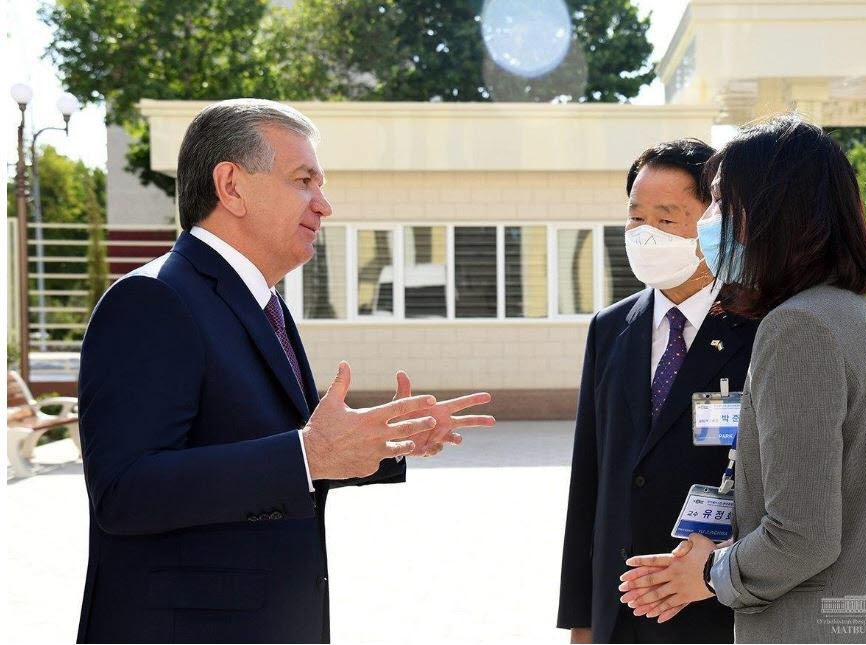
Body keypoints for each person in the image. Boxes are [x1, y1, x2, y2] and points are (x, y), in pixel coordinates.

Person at [76, 99, 495, 643]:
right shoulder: (153, 299)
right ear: (230, 185)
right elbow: (124, 491)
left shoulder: (261, 303)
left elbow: (275, 451)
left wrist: (380, 442)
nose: (324, 205)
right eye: (304, 180)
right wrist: (307, 454)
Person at [620, 115, 866, 643]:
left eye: (720, 201)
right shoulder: (851, 315)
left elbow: (802, 538)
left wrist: (706, 575)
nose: (708, 221)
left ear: (769, 211)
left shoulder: (798, 327)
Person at [558, 139, 758, 643]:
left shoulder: (761, 327)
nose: (645, 235)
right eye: (635, 218)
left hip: (716, 610)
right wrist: (581, 622)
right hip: (621, 612)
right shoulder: (611, 327)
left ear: (718, 222)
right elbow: (590, 482)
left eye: (666, 219)